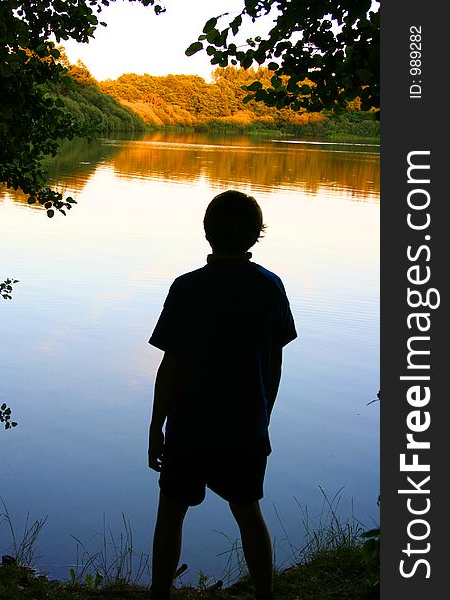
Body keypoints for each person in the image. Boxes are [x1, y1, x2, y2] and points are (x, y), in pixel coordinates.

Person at [148, 190, 297, 600]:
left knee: (171, 514)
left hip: (190, 426)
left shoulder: (187, 287)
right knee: (249, 512)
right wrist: (263, 416)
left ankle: (160, 594)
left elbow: (171, 366)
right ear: (255, 235)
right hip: (246, 426)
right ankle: (265, 595)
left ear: (207, 232)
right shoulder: (270, 287)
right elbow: (275, 363)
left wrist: (154, 426)